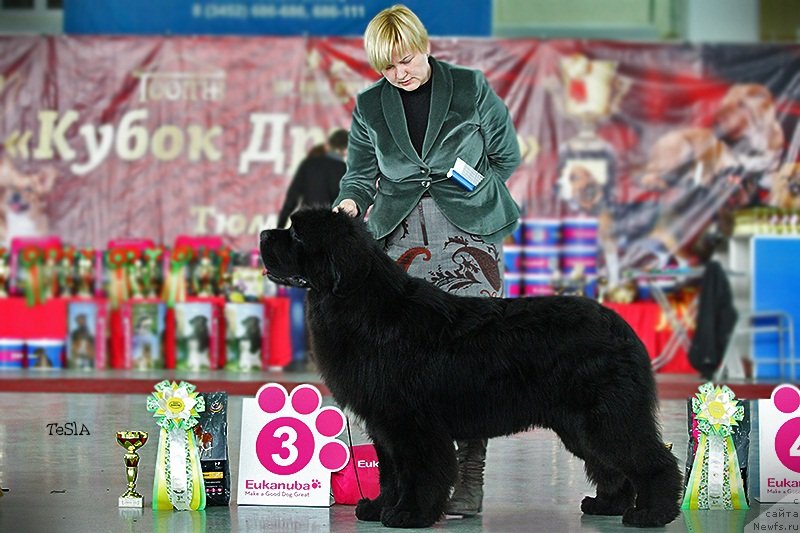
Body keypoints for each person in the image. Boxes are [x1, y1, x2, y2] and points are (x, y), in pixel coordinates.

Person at [333, 4, 521, 517]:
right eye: (389, 68)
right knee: (395, 370)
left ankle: (470, 480)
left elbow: (506, 156)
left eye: (408, 59)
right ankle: (402, 483)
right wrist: (349, 202)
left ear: (424, 43)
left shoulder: (470, 86)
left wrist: (470, 184)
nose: (402, 73)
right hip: (398, 244)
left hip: (469, 239)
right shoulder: (370, 107)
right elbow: (358, 176)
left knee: (474, 362)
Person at [276, 128, 349, 229]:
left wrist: (280, 226)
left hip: (305, 222)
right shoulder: (343, 168)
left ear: (329, 145)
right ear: (346, 149)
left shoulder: (309, 164)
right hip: (328, 226)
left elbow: (292, 197)